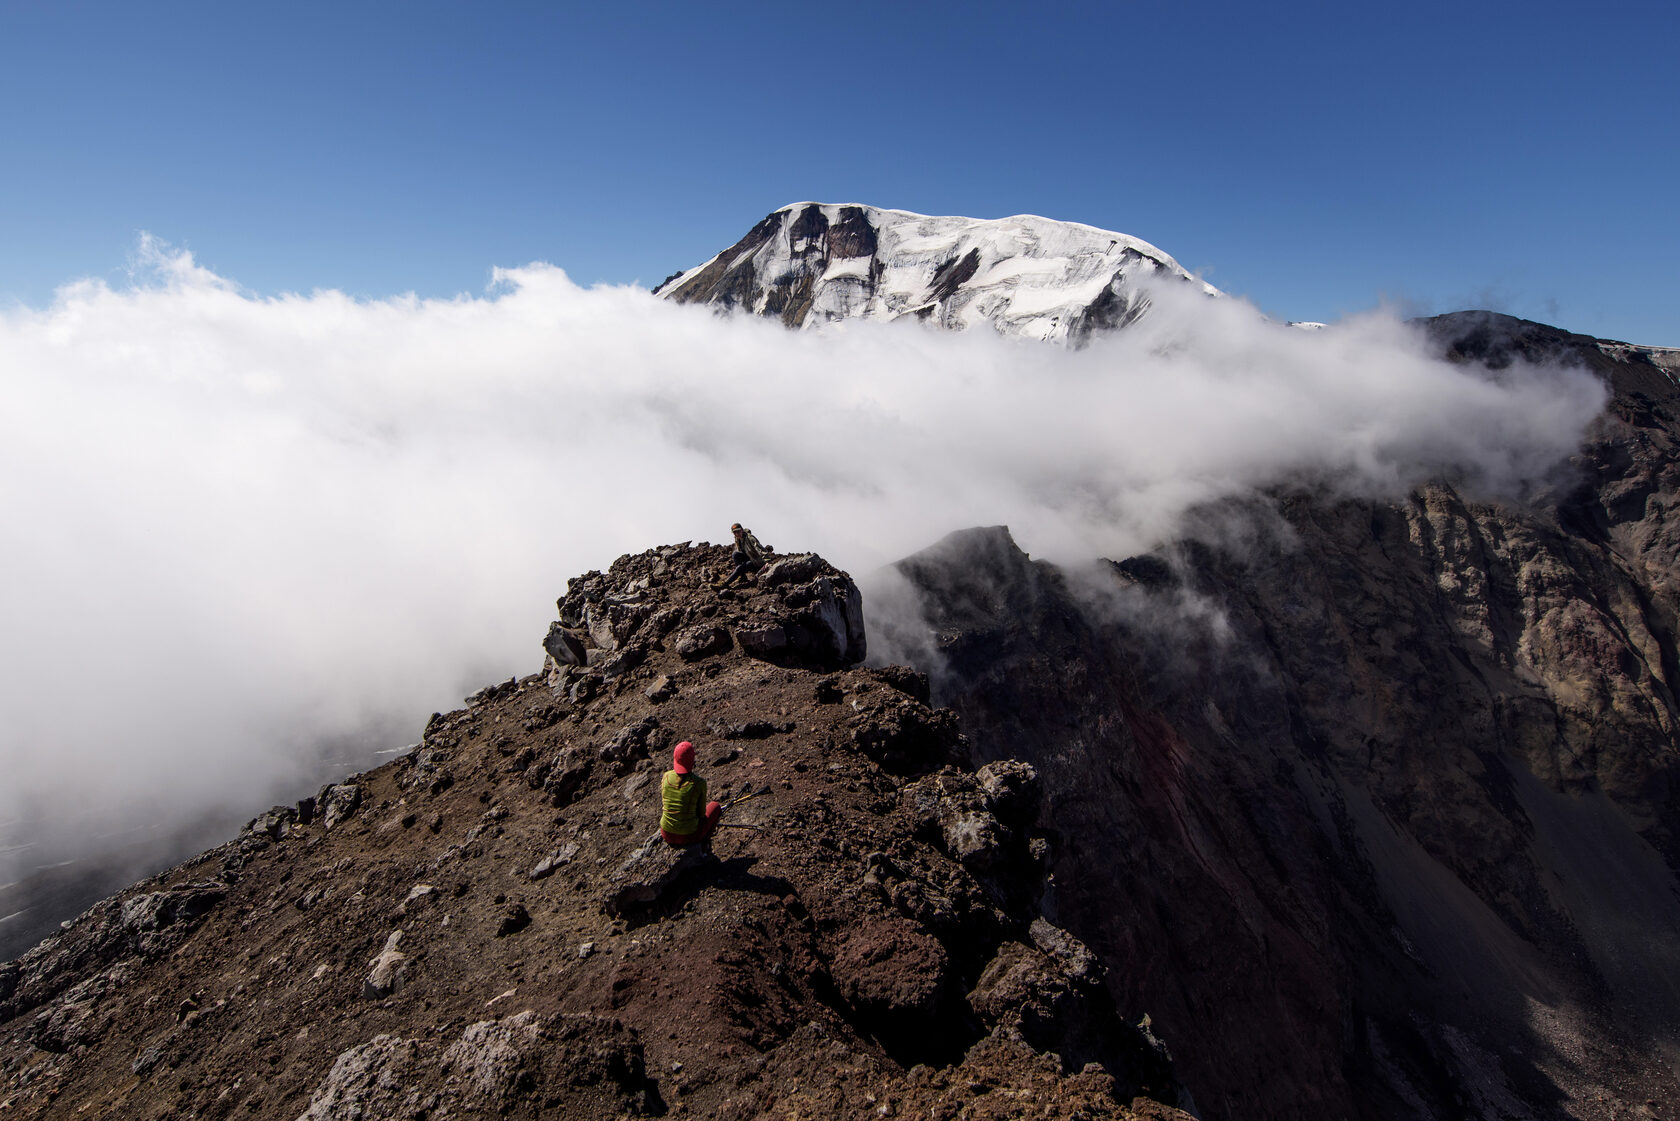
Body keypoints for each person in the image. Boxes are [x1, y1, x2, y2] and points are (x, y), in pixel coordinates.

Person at [659, 741, 722, 846]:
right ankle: (704, 845)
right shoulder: (699, 783)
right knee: (715, 806)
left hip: (666, 833)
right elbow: (701, 814)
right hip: (690, 836)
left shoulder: (666, 777)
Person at [717, 523, 768, 588]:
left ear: (742, 530)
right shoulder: (738, 538)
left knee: (740, 568)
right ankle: (742, 577)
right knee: (735, 554)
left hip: (757, 561)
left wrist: (768, 562)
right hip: (750, 557)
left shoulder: (750, 538)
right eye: (734, 532)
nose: (736, 534)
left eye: (738, 531)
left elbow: (761, 549)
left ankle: (724, 584)